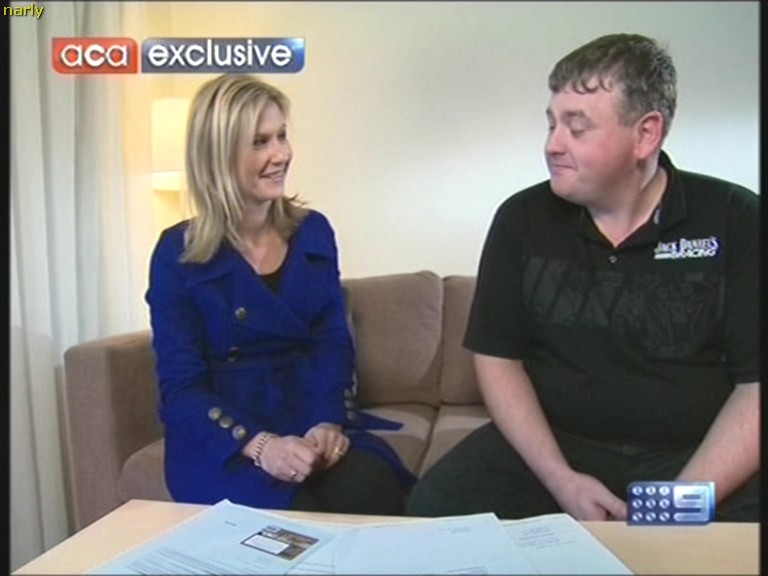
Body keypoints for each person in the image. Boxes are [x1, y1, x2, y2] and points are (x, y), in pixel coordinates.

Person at [407, 33, 759, 522]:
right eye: (552, 124)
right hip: (557, 449)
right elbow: (498, 359)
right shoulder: (521, 219)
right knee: (436, 507)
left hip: (696, 453)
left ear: (646, 134)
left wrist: (676, 505)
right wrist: (560, 479)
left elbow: (756, 388)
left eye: (577, 128)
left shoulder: (737, 218)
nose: (553, 145)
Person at [146, 73, 415, 514]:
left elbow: (332, 340)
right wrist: (259, 445)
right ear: (218, 155)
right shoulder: (176, 253)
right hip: (227, 440)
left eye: (281, 136)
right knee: (294, 518)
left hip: (307, 416)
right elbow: (181, 387)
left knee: (374, 491)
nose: (281, 154)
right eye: (259, 142)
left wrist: (328, 420)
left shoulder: (314, 231)